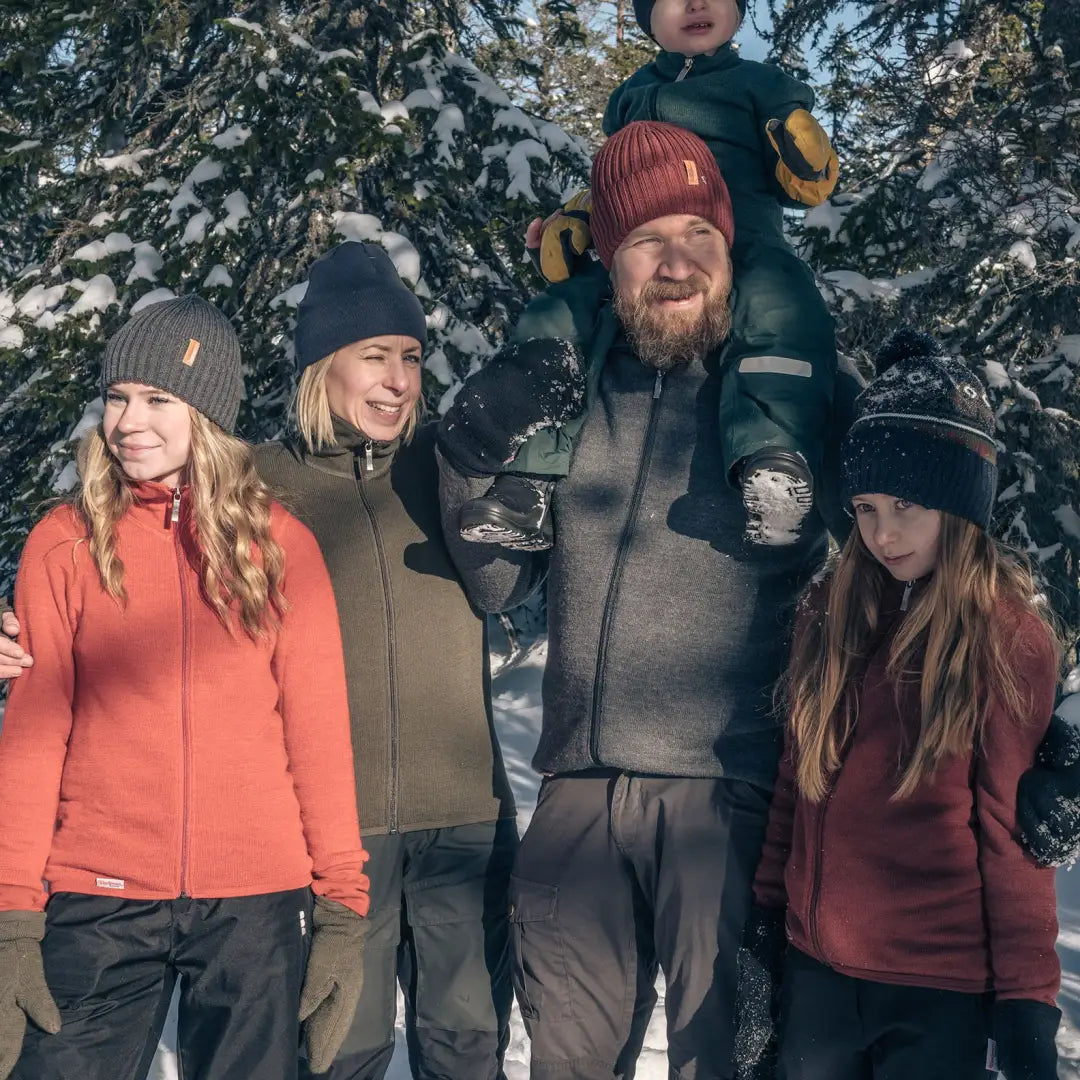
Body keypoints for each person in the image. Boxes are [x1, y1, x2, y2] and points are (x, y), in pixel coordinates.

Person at [436, 118, 831, 1080]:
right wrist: (469, 454)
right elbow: (494, 582)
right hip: (575, 794)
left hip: (727, 800)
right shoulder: (564, 399)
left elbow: (923, 550)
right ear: (607, 261)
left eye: (701, 235)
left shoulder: (794, 395)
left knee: (724, 1062)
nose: (678, 262)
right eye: (648, 239)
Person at [0, 296, 370, 1080]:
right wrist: (12, 920)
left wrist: (341, 911)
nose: (130, 420)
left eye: (159, 399)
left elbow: (319, 736)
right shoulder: (63, 545)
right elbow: (32, 744)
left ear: (205, 415)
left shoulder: (280, 547)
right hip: (96, 895)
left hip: (257, 903)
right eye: (118, 397)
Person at [751, 328, 1062, 1080]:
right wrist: (763, 933)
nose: (882, 533)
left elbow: (1013, 835)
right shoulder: (830, 612)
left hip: (936, 994)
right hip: (817, 975)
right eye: (863, 506)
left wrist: (1026, 1005)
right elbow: (797, 783)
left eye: (906, 505)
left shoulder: (1003, 636)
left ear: (959, 507)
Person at [255, 240, 518, 1080]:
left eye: (410, 357)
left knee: (467, 1047)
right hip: (333, 832)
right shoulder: (257, 485)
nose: (399, 380)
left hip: (466, 818)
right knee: (341, 1051)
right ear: (321, 366)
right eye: (374, 357)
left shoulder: (450, 467)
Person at [456, 0, 840, 550]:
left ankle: (774, 457)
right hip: (637, 247)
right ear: (645, 17)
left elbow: (802, 182)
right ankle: (528, 480)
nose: (697, 5)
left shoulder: (761, 85)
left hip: (744, 241)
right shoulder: (631, 96)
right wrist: (580, 221)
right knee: (560, 311)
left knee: (780, 306)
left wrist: (805, 153)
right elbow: (618, 177)